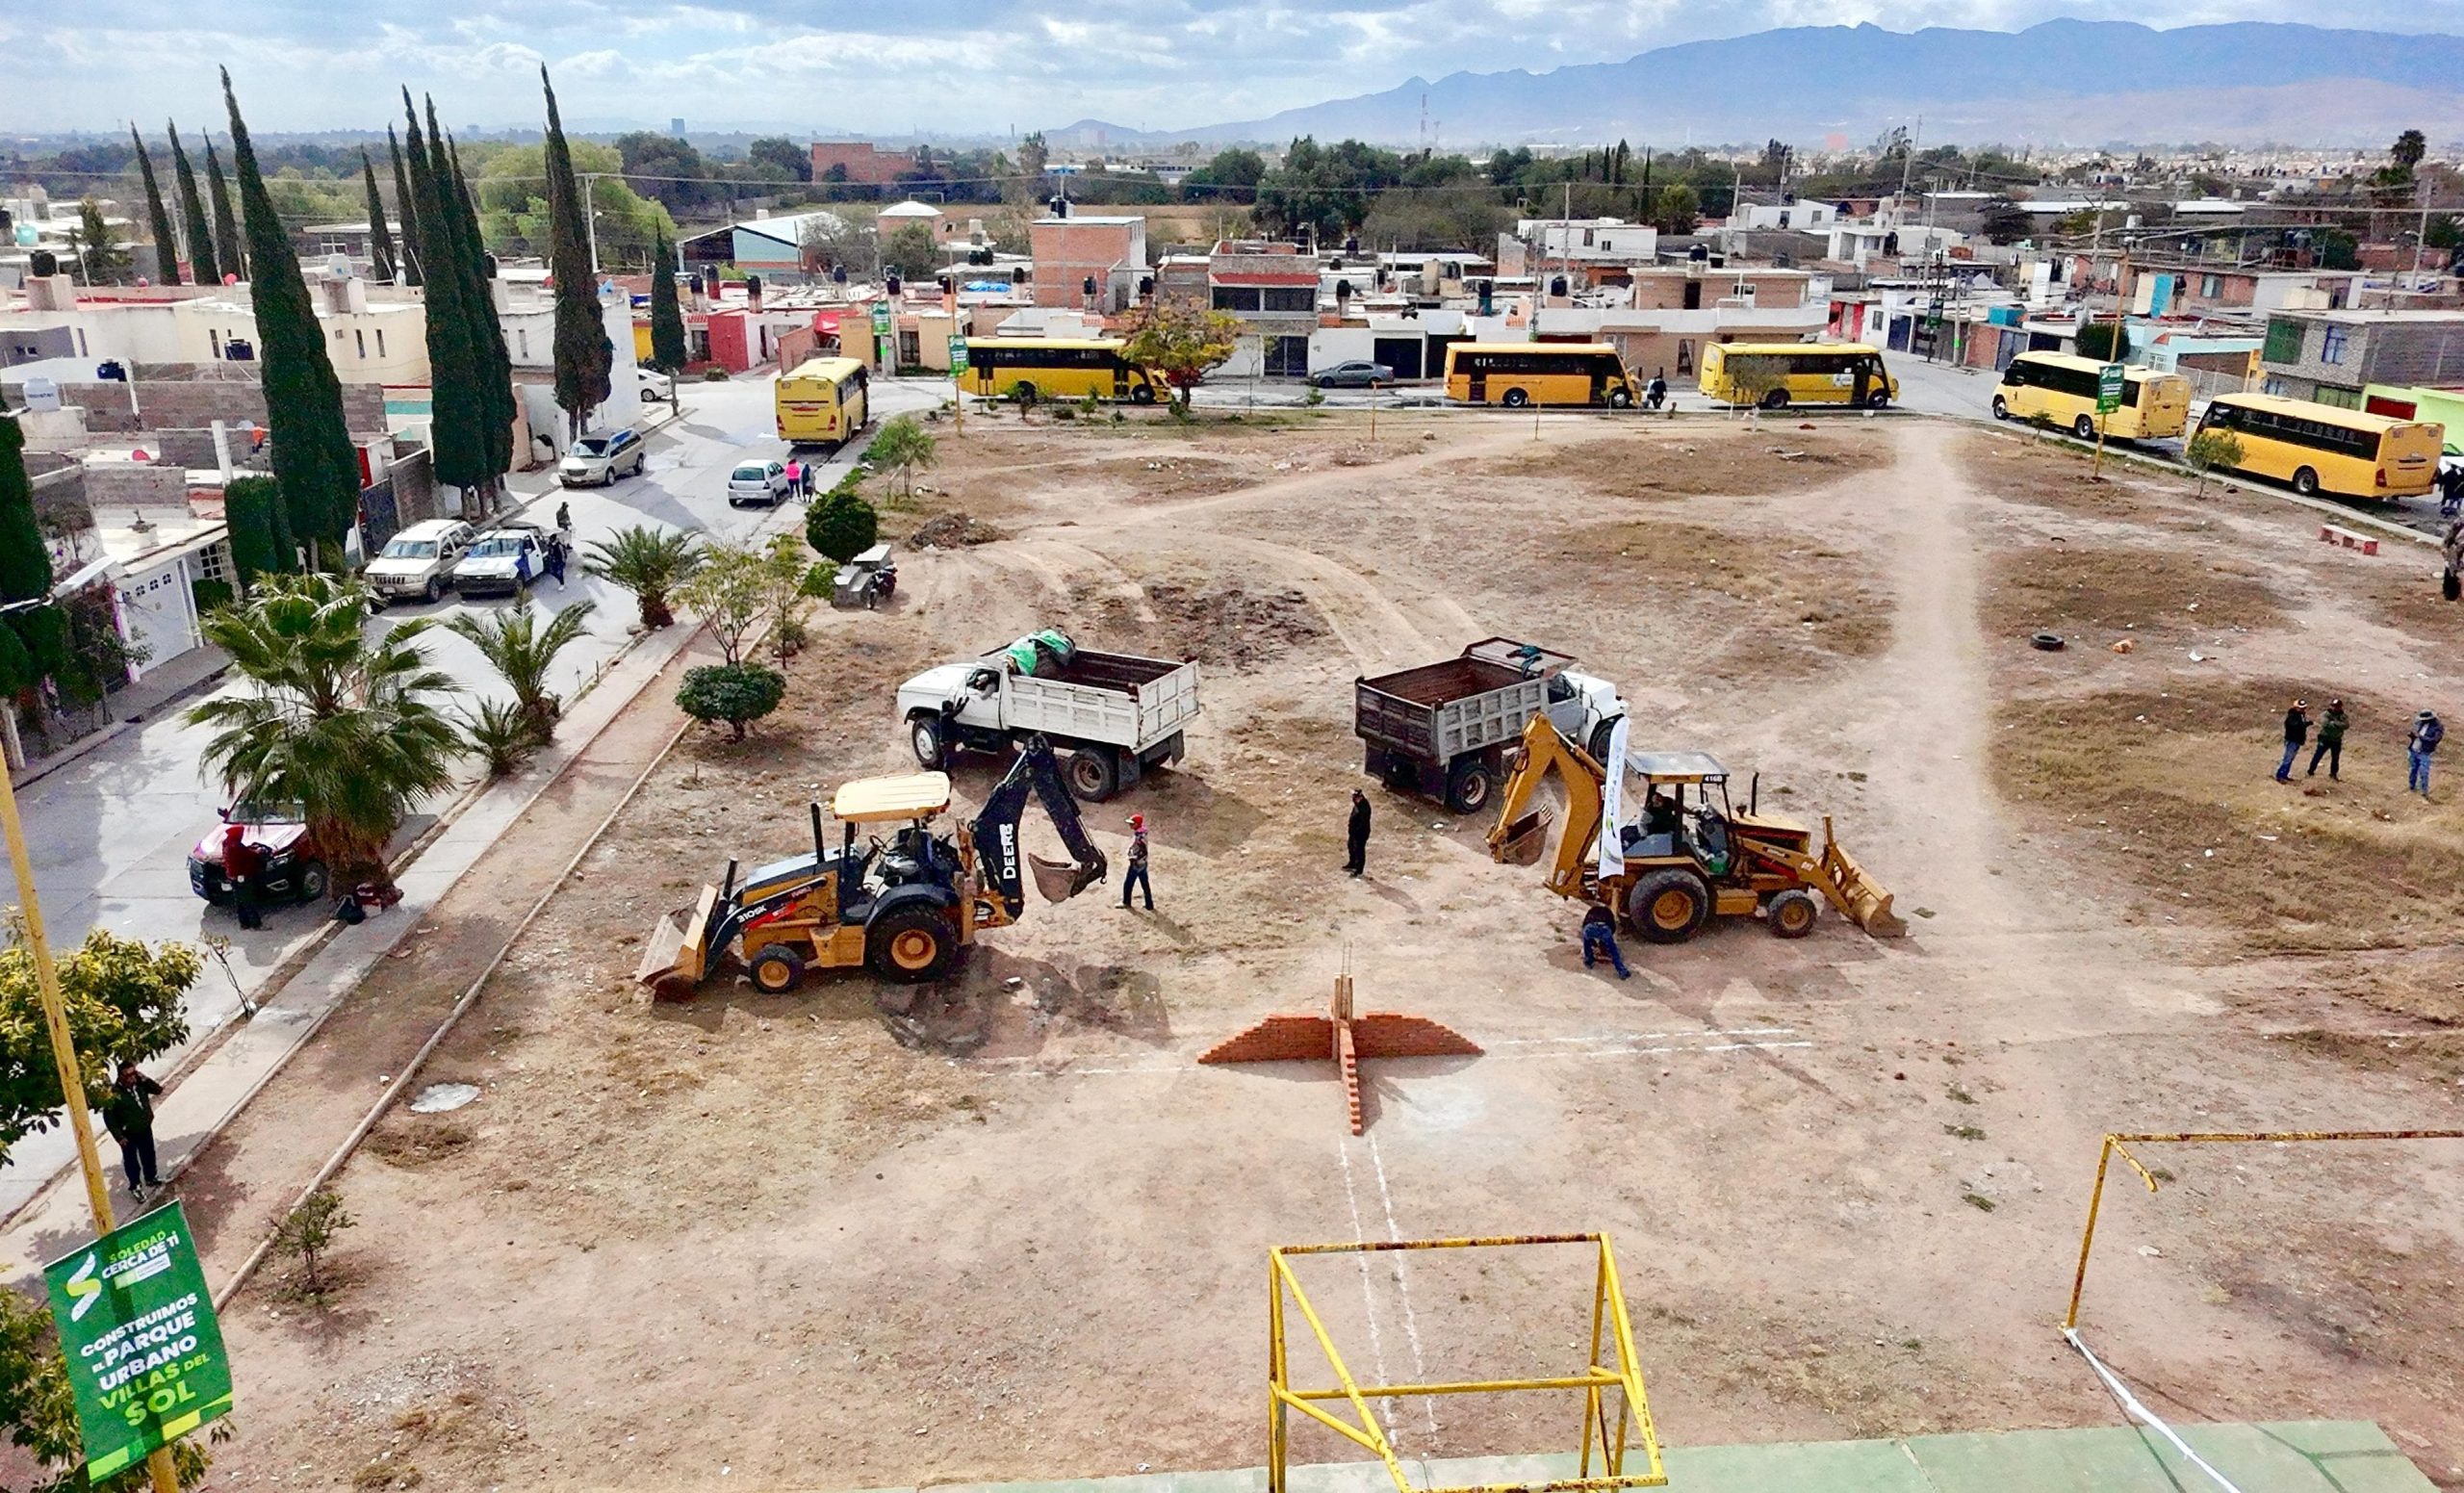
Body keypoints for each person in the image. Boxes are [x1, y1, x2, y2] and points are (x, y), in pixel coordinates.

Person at [102, 1061, 164, 1202]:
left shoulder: (139, 1085)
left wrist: (145, 1079)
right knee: (131, 1161)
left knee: (148, 1153)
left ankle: (151, 1178)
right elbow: (109, 1118)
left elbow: (158, 1090)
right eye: (128, 1075)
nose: (132, 1077)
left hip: (144, 1127)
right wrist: (119, 1137)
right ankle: (135, 1186)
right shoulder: (113, 1094)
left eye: (134, 1073)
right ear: (120, 1076)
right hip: (127, 1134)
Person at [222, 822, 265, 930]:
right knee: (248, 901)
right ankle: (256, 924)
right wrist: (258, 851)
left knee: (239, 902)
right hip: (242, 877)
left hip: (233, 877)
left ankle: (244, 924)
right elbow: (249, 854)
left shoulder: (227, 843)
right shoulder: (236, 846)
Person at [1580, 905, 1630, 980]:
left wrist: (1594, 944)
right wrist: (1605, 943)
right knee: (1613, 951)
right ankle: (1622, 971)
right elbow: (1613, 927)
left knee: (1587, 939)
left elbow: (1584, 924)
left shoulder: (1592, 910)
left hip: (1590, 927)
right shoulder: (1608, 913)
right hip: (1604, 928)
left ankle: (1589, 960)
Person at [2308, 699, 2348, 780]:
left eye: (2337, 707)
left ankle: (2333, 774)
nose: (2335, 708)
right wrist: (2338, 725)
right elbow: (2325, 724)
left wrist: (2334, 723)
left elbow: (2346, 725)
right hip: (2325, 738)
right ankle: (2311, 771)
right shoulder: (2326, 714)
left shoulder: (2343, 716)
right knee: (2318, 755)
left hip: (2336, 740)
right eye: (2333, 706)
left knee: (2335, 758)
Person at [1120, 812, 1153, 911]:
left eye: (1132, 823)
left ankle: (1126, 902)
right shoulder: (1142, 834)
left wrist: (1134, 857)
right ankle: (1149, 905)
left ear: (1137, 824)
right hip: (1143, 863)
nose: (1130, 825)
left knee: (1128, 884)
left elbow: (1142, 850)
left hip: (1136, 864)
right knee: (1145, 884)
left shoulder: (1139, 837)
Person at [2409, 708, 2445, 797]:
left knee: (2424, 772)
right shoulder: (2420, 723)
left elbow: (2434, 740)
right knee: (2413, 769)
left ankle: (2424, 791)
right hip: (2414, 749)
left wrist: (2420, 737)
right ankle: (2412, 786)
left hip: (2424, 752)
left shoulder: (2438, 728)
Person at [2275, 698, 2310, 784]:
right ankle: (2280, 775)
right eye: (2301, 708)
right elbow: (2294, 726)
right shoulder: (2292, 716)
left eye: (2304, 708)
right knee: (2287, 758)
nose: (2303, 709)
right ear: (2296, 707)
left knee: (2290, 759)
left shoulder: (2301, 716)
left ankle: (2285, 775)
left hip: (2297, 740)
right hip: (2292, 740)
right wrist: (2304, 725)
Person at [1346, 789, 1371, 877]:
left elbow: (1362, 823)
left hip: (1360, 834)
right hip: (1353, 832)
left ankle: (1358, 870)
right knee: (1351, 846)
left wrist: (1355, 831)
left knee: (1359, 851)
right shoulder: (1357, 805)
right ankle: (1352, 864)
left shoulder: (1364, 808)